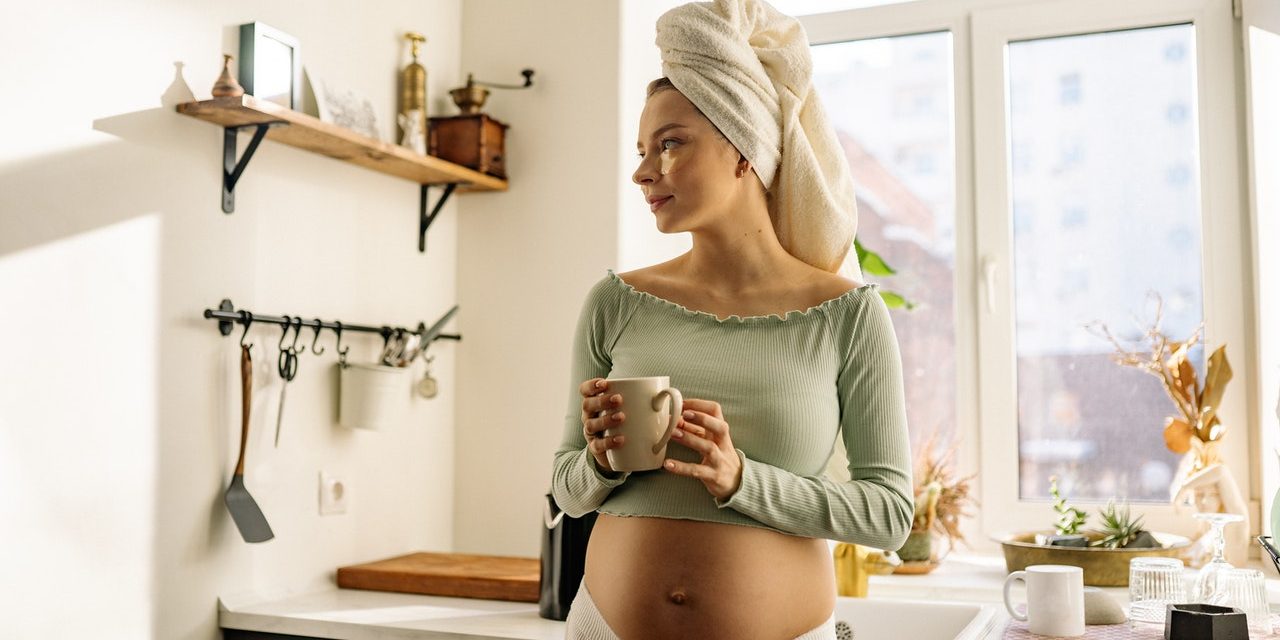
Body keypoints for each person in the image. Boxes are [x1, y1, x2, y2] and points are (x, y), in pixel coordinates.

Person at [550, 1, 913, 638]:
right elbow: (566, 491)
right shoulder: (615, 301)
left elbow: (888, 516)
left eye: (670, 144)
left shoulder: (846, 316)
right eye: (642, 150)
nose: (642, 172)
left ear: (743, 150)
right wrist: (601, 461)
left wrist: (742, 479)